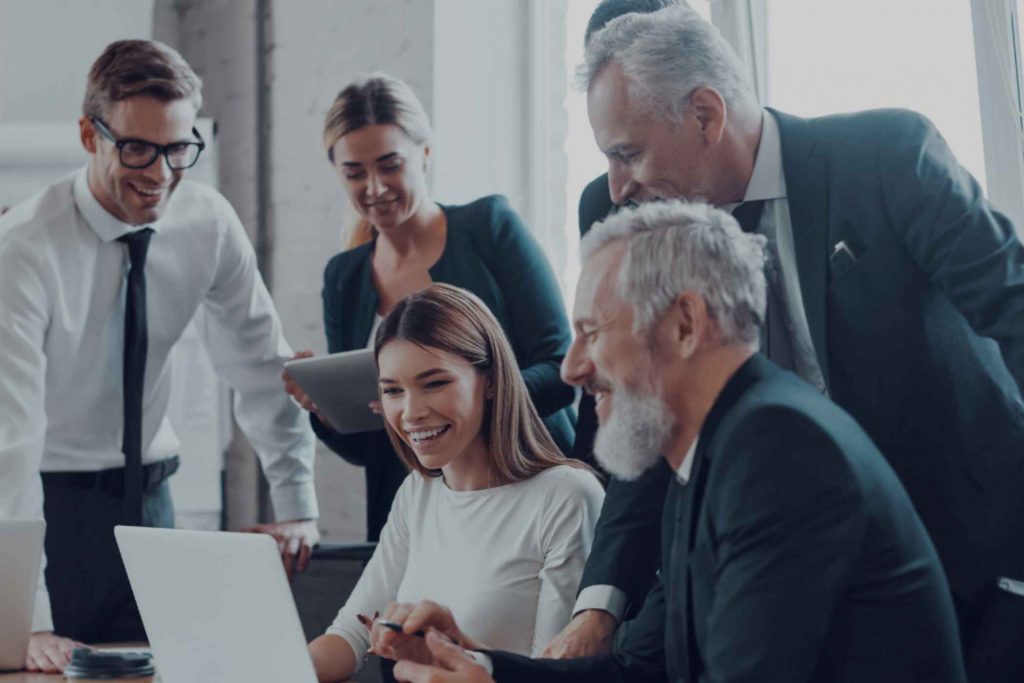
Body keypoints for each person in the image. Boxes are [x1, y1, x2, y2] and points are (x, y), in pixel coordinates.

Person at [548, 7, 1024, 679]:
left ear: (706, 115)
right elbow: (646, 403)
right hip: (778, 566)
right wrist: (598, 605)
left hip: (972, 543)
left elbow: (1016, 307)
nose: (619, 185)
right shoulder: (628, 215)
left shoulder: (885, 156)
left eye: (629, 152)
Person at [386, 201, 968, 683]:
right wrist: (483, 669)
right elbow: (639, 668)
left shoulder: (779, 448)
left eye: (591, 331)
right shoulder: (709, 450)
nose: (570, 368)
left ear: (685, 324)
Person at [0, 40, 320, 673]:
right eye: (137, 148)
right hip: (50, 510)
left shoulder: (208, 223)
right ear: (89, 136)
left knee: (175, 671)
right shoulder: (24, 250)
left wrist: (297, 507)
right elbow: (10, 440)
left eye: (179, 149)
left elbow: (259, 367)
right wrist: (27, 619)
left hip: (153, 505)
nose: (160, 173)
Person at [283, 73, 576, 542]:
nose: (374, 188)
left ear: (425, 152)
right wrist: (323, 411)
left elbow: (562, 369)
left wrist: (463, 404)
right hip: (419, 517)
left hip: (524, 489)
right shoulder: (345, 276)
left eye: (389, 165)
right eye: (355, 172)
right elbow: (373, 445)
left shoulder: (488, 228)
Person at [305, 284, 604, 683]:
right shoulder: (418, 493)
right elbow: (349, 635)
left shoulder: (566, 497)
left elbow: (553, 675)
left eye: (434, 384)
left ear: (492, 380)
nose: (410, 413)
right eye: (393, 390)